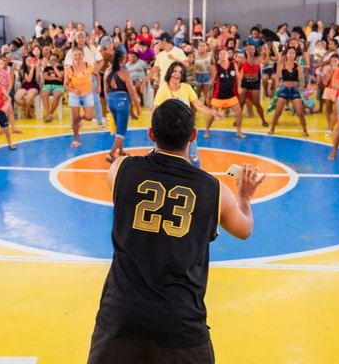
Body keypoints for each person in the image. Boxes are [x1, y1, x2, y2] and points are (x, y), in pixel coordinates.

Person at [87, 99, 265, 364]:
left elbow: (149, 176)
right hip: (180, 322)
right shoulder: (213, 189)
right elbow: (244, 229)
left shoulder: (120, 169)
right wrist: (245, 197)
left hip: (121, 316)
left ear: (151, 134)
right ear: (193, 136)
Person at [103, 50, 141, 162]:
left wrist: (109, 102)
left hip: (111, 99)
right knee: (121, 130)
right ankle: (111, 154)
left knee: (118, 127)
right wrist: (138, 106)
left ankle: (121, 151)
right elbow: (132, 92)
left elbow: (105, 90)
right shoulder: (124, 73)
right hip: (122, 100)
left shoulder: (107, 71)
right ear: (123, 60)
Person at [205, 48, 244, 138]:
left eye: (224, 53)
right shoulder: (216, 67)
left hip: (231, 94)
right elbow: (212, 82)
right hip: (218, 95)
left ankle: (239, 131)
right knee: (212, 114)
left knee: (239, 112)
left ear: (228, 55)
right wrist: (208, 94)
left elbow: (238, 77)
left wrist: (239, 87)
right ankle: (206, 131)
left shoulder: (233, 64)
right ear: (218, 57)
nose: (222, 55)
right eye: (220, 54)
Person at [269, 47, 308, 136]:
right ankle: (272, 129)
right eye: (289, 53)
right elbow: (277, 77)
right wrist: (277, 84)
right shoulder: (282, 65)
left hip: (294, 90)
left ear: (295, 55)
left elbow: (301, 78)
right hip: (284, 89)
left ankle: (305, 130)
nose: (291, 55)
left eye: (293, 53)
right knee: (277, 112)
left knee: (300, 113)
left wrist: (302, 86)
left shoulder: (298, 66)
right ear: (286, 55)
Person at [65, 47, 96, 148]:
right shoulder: (69, 69)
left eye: (79, 54)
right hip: (75, 95)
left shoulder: (88, 66)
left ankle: (79, 119)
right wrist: (74, 90)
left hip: (87, 94)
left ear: (83, 55)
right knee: (75, 118)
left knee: (89, 117)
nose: (77, 56)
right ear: (73, 56)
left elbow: (97, 74)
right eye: (75, 55)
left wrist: (99, 86)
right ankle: (76, 139)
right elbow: (65, 85)